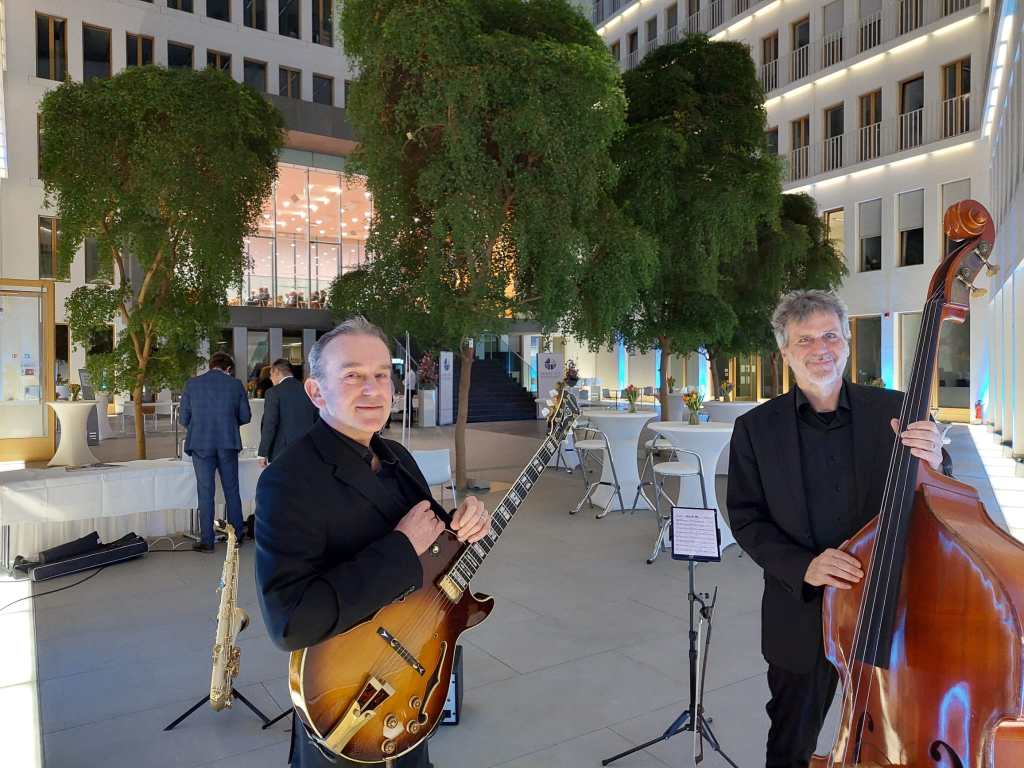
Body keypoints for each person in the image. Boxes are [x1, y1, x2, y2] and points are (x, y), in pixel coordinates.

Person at [726, 290, 950, 768]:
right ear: (785, 352)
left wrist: (937, 459)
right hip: (801, 614)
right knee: (790, 741)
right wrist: (803, 566)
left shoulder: (897, 410)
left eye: (830, 335)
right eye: (804, 340)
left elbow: (938, 491)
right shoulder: (755, 428)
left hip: (891, 606)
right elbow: (745, 517)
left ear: (847, 341)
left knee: (899, 737)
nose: (820, 348)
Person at [255, 317, 491, 768]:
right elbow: (290, 622)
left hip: (409, 687)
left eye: (382, 374)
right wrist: (401, 547)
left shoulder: (396, 457)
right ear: (316, 392)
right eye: (353, 375)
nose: (373, 389)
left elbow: (433, 549)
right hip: (346, 701)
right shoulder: (288, 480)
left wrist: (464, 527)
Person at [179, 351, 252, 552]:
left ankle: (207, 541)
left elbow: (183, 418)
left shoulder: (192, 384)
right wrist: (228, 424)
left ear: (211, 365)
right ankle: (236, 537)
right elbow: (246, 416)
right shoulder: (235, 384)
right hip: (228, 443)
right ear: (228, 369)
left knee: (205, 492)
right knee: (232, 491)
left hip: (201, 444)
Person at [257, 358, 319, 467]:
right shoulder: (308, 390)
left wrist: (262, 453)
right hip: (307, 449)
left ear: (277, 372)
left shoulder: (273, 392)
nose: (270, 378)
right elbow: (317, 420)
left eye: (271, 374)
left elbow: (270, 424)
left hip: (282, 452)